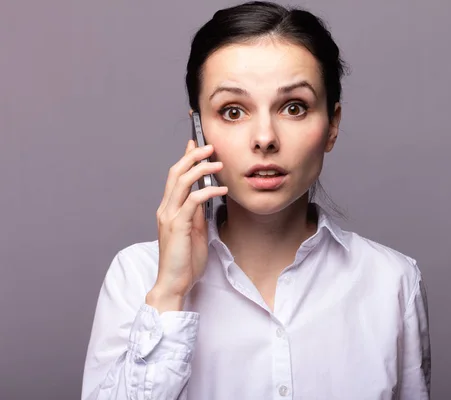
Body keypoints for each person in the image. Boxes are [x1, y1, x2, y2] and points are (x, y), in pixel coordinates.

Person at [82, 1, 431, 399]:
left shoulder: (392, 283)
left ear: (332, 125)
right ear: (198, 127)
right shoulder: (138, 277)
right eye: (233, 111)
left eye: (294, 107)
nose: (264, 138)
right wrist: (169, 295)